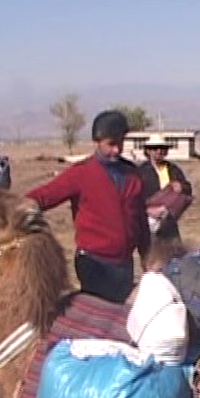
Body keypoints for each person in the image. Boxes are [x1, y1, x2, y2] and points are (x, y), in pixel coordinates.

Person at [24, 110, 151, 304]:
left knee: (121, 317)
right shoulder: (82, 173)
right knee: (98, 317)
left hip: (124, 263)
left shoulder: (132, 174)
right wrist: (15, 206)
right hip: (94, 263)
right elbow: (46, 195)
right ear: (97, 141)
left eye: (120, 143)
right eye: (110, 144)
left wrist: (146, 255)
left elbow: (140, 219)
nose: (116, 150)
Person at [138, 133, 192, 238]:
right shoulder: (140, 171)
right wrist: (146, 210)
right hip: (147, 221)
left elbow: (188, 189)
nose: (159, 151)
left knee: (173, 251)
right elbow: (133, 196)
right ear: (148, 151)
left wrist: (181, 186)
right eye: (155, 148)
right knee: (151, 252)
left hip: (169, 220)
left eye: (162, 148)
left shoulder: (173, 169)